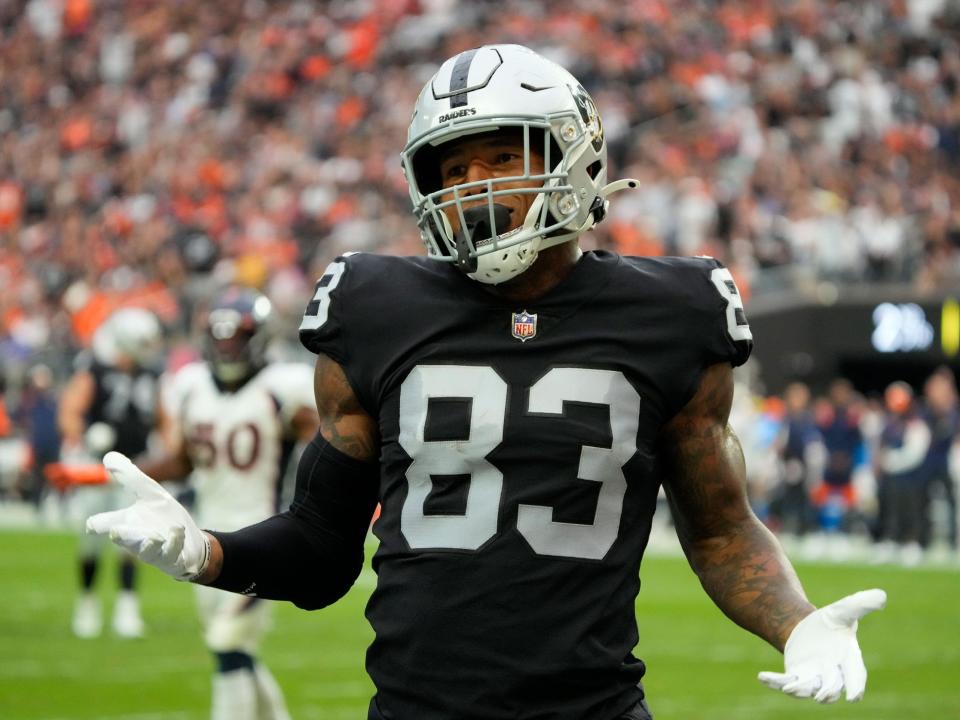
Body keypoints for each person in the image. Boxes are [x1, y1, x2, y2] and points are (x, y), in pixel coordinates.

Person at [88, 45, 886, 718]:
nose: (476, 185)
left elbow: (718, 530)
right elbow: (325, 544)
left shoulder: (671, 313)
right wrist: (207, 551)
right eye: (455, 166)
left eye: (505, 156)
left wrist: (799, 623)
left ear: (576, 151)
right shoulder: (373, 306)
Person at [134, 287, 318, 720]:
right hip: (203, 535)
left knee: (228, 640)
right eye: (220, 337)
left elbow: (324, 445)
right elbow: (182, 461)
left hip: (262, 534)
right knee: (233, 649)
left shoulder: (284, 386)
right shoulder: (190, 385)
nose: (227, 346)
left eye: (236, 336)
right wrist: (128, 470)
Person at [58, 306, 164, 638]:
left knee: (131, 540)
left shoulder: (151, 375)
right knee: (91, 539)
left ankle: (126, 608)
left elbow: (164, 419)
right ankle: (87, 605)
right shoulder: (97, 370)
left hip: (135, 467)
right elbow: (70, 411)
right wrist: (83, 435)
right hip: (96, 466)